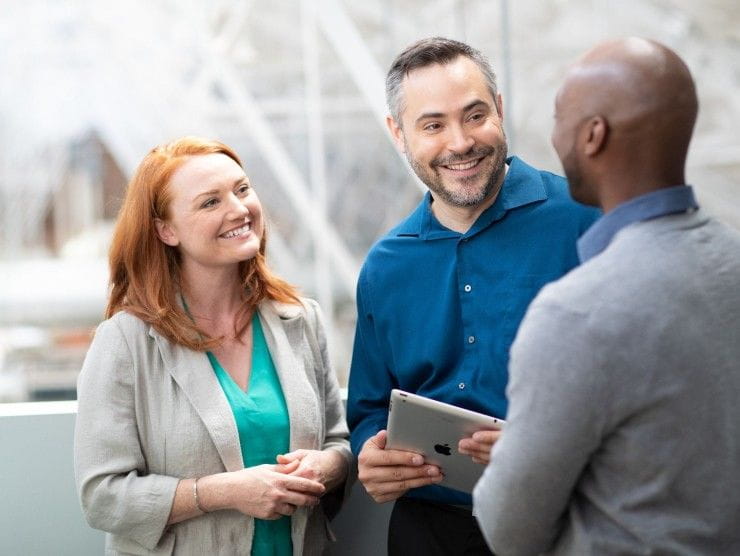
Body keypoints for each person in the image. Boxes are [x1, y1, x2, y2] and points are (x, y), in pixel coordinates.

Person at [473, 37, 740, 555]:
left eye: (558, 117)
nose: (553, 136)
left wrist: (520, 457)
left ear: (593, 135)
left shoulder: (575, 313)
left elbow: (509, 532)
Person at [346, 37, 599, 555]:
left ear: (500, 111)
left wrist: (548, 448)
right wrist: (369, 454)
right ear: (398, 134)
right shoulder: (385, 266)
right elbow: (370, 407)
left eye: (475, 115)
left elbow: (645, 384)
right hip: (428, 533)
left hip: (565, 525)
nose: (460, 142)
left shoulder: (588, 221)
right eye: (433, 125)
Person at [74, 137, 352, 556]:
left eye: (242, 190)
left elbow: (338, 442)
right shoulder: (126, 342)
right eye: (210, 203)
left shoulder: (300, 320)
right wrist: (221, 492)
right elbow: (102, 496)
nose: (239, 210)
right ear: (165, 231)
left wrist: (328, 466)